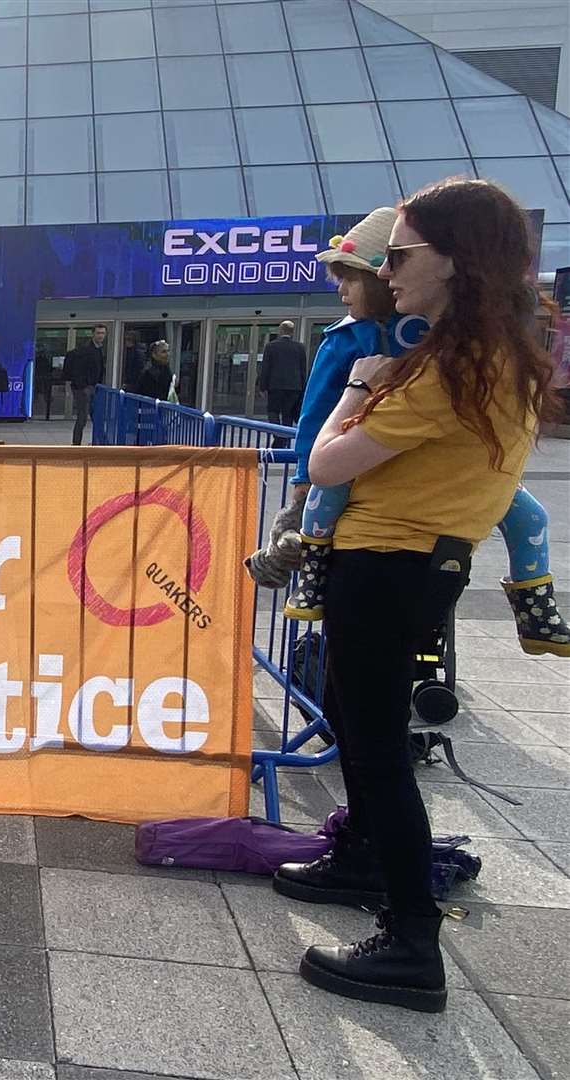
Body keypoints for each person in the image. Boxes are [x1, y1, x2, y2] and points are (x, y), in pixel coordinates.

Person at [274, 179, 560, 1012]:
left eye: (399, 254)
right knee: (353, 717)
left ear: (455, 260)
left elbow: (324, 464)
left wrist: (359, 387)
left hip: (393, 565)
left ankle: (409, 943)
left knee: (375, 748)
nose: (384, 269)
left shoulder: (453, 368)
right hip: (397, 564)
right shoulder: (476, 353)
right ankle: (361, 856)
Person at [250, 207, 567, 656]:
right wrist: (305, 476)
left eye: (351, 278)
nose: (342, 290)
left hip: (429, 493)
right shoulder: (350, 339)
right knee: (323, 499)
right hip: (364, 471)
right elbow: (316, 418)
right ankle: (311, 571)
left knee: (530, 516)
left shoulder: (454, 343)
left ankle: (535, 609)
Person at [258, 320, 308, 428]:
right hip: (294, 387)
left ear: (280, 331)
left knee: (273, 411)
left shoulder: (271, 346)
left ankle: (278, 437)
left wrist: (262, 387)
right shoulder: (300, 347)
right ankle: (284, 437)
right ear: (292, 332)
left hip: (275, 386)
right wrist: (303, 388)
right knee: (288, 414)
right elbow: (303, 369)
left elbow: (266, 368)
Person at [64, 326, 106, 445]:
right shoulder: (86, 350)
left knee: (93, 415)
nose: (101, 336)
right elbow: (79, 369)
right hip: (84, 387)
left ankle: (96, 442)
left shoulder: (97, 349)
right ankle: (76, 443)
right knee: (82, 417)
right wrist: (83, 386)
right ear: (93, 334)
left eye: (102, 333)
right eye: (98, 333)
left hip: (92, 386)